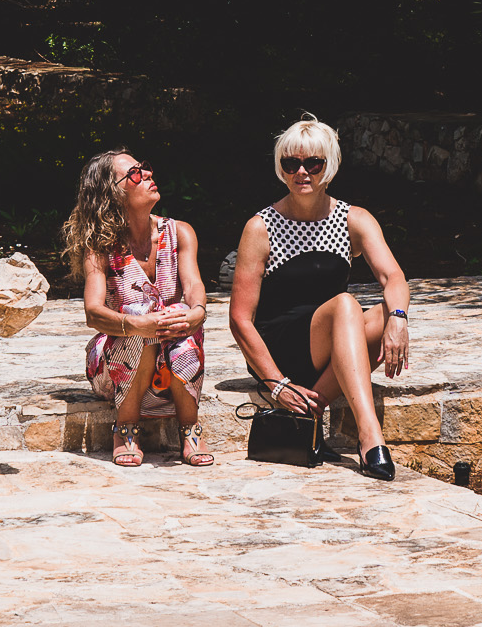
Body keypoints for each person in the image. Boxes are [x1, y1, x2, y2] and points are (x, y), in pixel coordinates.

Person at [227, 115, 412, 481]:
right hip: (280, 344)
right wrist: (275, 382)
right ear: (280, 168)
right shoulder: (261, 226)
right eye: (291, 163)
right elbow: (240, 319)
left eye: (313, 163)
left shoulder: (352, 219)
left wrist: (399, 319)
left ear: (330, 166)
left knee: (380, 314)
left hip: (332, 337)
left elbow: (393, 277)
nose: (302, 173)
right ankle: (370, 437)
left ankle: (308, 412)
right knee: (347, 304)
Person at [63, 151, 212, 467]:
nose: (146, 174)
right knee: (139, 321)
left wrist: (197, 311)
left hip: (170, 362)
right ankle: (126, 428)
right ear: (112, 192)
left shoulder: (180, 232)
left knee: (182, 320)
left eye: (145, 168)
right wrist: (137, 324)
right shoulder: (100, 247)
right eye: (134, 173)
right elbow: (93, 312)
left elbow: (194, 285)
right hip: (115, 364)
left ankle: (190, 428)